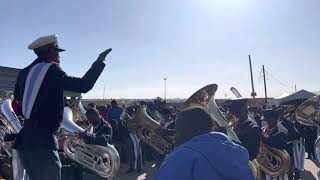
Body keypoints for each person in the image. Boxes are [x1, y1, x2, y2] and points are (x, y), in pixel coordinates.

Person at [12, 34, 111, 180]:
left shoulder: (24, 73)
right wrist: (99, 62)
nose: (59, 55)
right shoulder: (51, 71)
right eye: (57, 51)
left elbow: (19, 98)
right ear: (49, 52)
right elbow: (84, 85)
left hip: (24, 140)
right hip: (42, 142)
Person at [156, 107, 254, 180]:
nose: (175, 136)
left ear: (194, 131)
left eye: (178, 131)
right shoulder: (236, 151)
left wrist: (167, 157)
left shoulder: (179, 157)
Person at [262, 109, 288, 180]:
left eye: (268, 119)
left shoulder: (281, 133)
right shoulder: (265, 129)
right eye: (266, 119)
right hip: (266, 165)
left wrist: (260, 134)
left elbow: (271, 141)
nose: (266, 121)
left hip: (277, 166)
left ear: (275, 119)